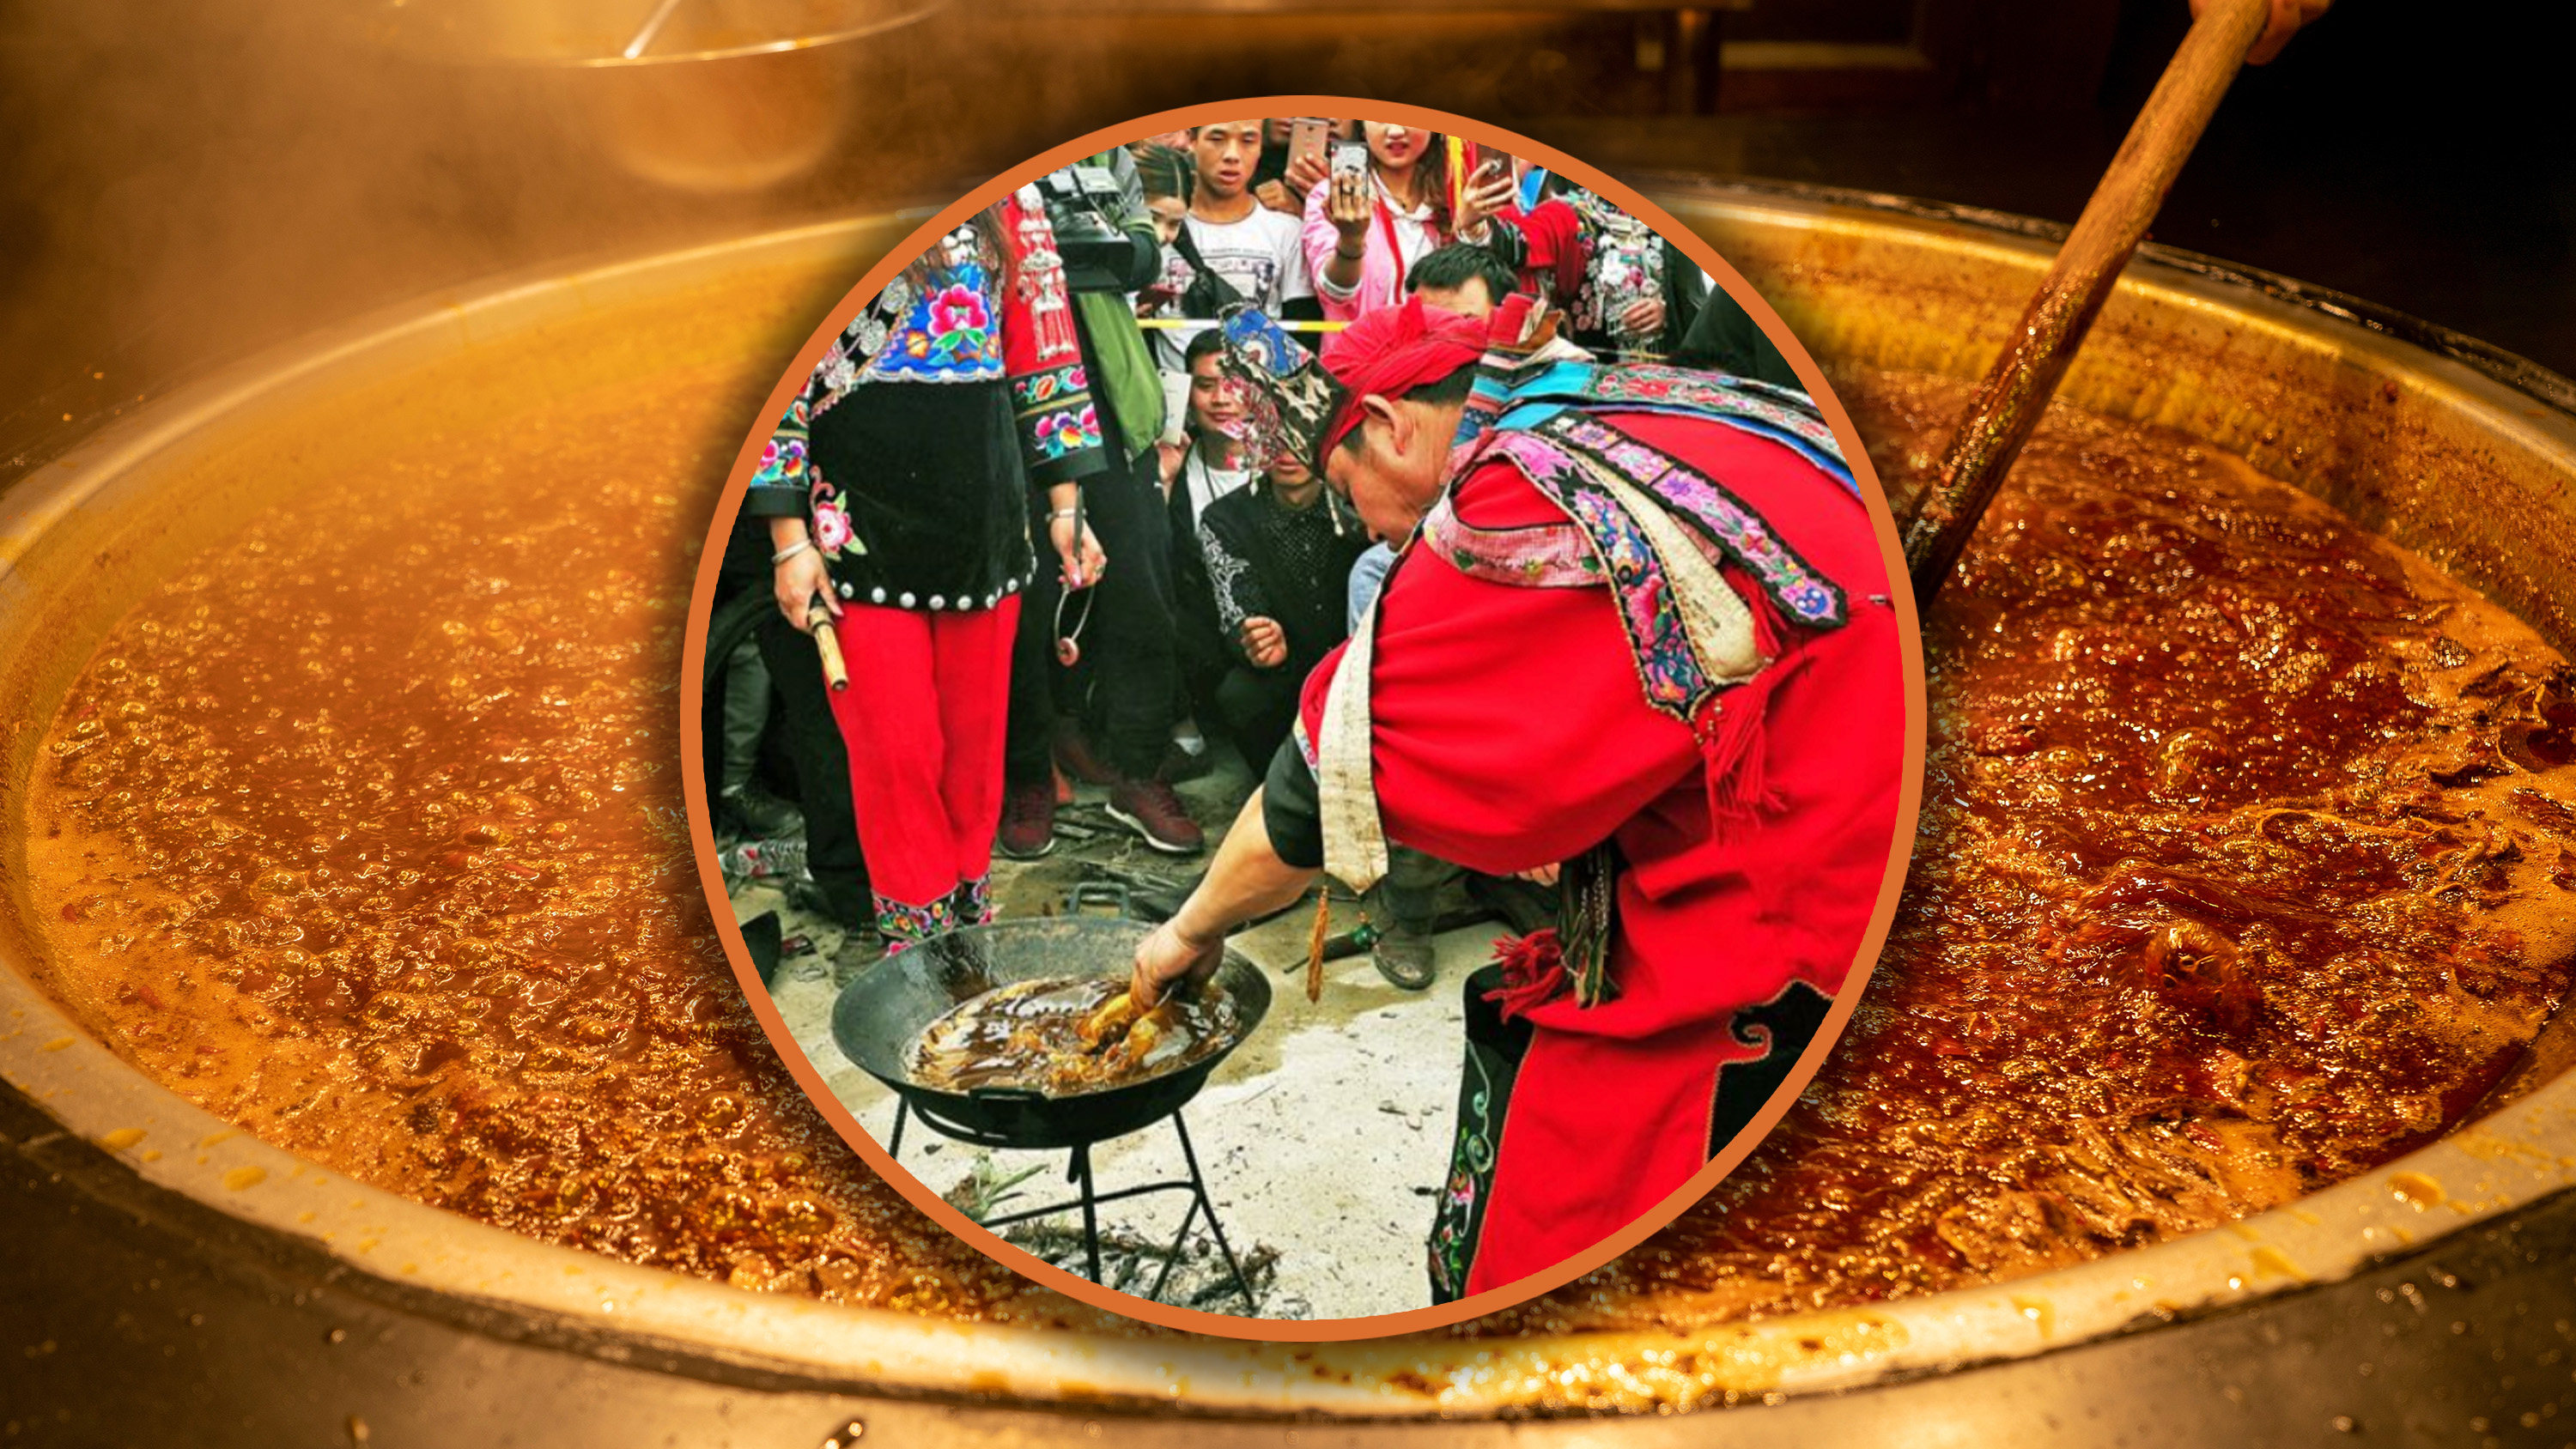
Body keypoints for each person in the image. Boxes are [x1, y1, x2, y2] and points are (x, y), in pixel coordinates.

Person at [1130, 297, 1903, 1302]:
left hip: (1803, 904)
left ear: (1390, 427)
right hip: (1847, 793)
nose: (1357, 522)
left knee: (1570, 1228)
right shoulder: (1621, 394)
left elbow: (1325, 778)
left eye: (1345, 485)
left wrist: (1184, 933)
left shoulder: (1517, 504)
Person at [751, 197, 1109, 952]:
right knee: (896, 756)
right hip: (856, 524)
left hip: (982, 519)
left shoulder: (1015, 196)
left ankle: (966, 939)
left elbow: (1045, 346)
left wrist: (1065, 508)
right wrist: (789, 539)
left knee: (975, 757)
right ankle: (917, 951)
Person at [1000, 148, 1206, 858]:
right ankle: (1030, 772)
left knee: (1143, 593)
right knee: (1019, 604)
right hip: (1001, 401)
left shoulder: (1111, 149)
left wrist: (1063, 249)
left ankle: (1138, 769)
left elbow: (1147, 251)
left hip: (1112, 401)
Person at [1195, 446, 1367, 777]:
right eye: (1274, 436)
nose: (1287, 451)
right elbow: (1236, 606)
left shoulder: (1358, 501)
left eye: (1298, 434)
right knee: (1240, 694)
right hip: (1289, 675)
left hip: (1358, 669)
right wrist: (1258, 638)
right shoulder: (1226, 517)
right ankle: (1276, 791)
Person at [1468, 162, 1707, 360]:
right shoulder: (1570, 213)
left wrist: (1667, 313)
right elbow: (1516, 245)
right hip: (1589, 377)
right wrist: (1477, 224)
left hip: (1662, 375)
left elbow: (1691, 299)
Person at [1303, 124, 1506, 322]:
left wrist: (1469, 230)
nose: (1396, 131)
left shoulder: (1462, 193)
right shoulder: (1334, 195)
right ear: (1361, 126)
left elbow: (1483, 292)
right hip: (1362, 351)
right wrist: (1351, 240)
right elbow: (1335, 293)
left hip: (1440, 350)